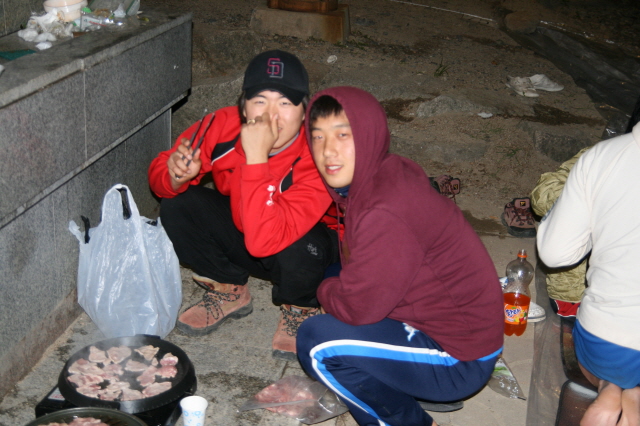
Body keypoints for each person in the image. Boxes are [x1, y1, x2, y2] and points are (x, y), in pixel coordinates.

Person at [296, 86, 504, 426]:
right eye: (317, 137)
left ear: (369, 134)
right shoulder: (385, 173)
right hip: (453, 326)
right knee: (335, 273)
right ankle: (401, 381)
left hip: (460, 358)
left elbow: (359, 309)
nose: (328, 150)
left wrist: (325, 293)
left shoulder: (385, 209)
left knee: (317, 342)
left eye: (343, 135)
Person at [148, 50, 340, 360]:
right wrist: (175, 176)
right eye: (260, 101)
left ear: (305, 111)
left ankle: (299, 308)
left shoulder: (319, 151)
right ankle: (229, 288)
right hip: (248, 226)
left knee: (301, 246)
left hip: (309, 247)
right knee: (177, 203)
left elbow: (267, 239)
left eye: (285, 103)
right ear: (243, 105)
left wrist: (256, 159)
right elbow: (161, 173)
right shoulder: (221, 124)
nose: (271, 116)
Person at [537, 121, 640, 426]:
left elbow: (555, 253)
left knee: (611, 365)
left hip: (607, 342)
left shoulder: (606, 155)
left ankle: (610, 386)